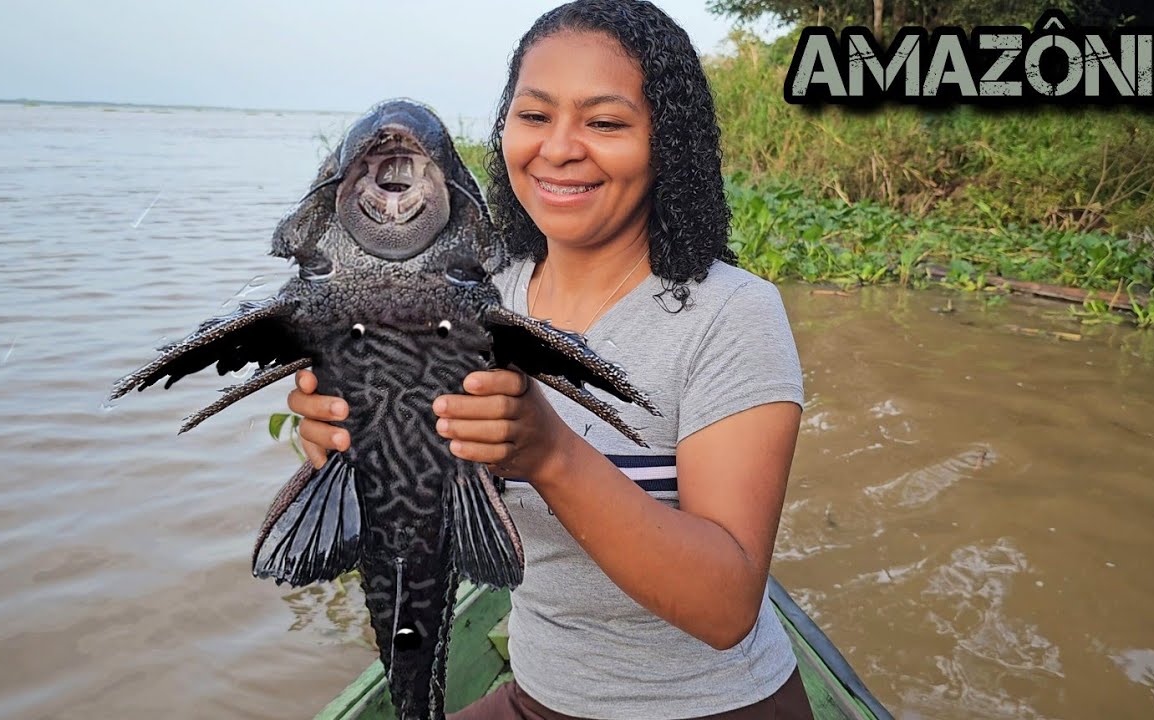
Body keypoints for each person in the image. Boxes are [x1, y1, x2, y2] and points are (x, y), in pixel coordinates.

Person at [288, 2, 810, 718]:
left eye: (605, 122)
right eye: (534, 116)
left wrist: (552, 454)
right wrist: (339, 440)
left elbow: (726, 609)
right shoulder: (483, 290)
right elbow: (410, 487)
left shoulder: (731, 314)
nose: (559, 148)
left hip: (707, 706)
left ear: (667, 144)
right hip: (542, 696)